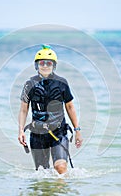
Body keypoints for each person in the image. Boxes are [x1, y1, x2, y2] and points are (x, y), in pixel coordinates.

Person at [18, 44, 83, 174]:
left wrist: (77, 130)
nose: (45, 66)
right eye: (42, 63)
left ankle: (63, 192)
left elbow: (70, 107)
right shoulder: (29, 85)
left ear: (54, 65)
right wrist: (21, 131)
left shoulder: (62, 83)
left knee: (61, 168)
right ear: (36, 65)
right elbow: (23, 110)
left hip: (59, 133)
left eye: (49, 63)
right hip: (37, 134)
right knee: (42, 173)